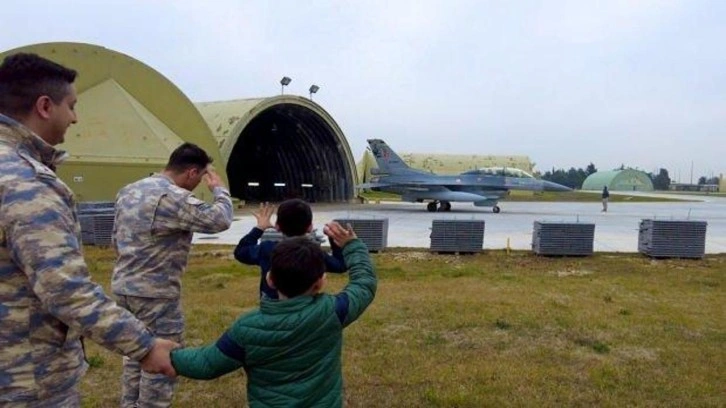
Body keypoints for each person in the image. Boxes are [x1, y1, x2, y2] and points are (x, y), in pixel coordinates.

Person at [0, 53, 177, 406]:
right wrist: (144, 346)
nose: (75, 118)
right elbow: (64, 288)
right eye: (71, 106)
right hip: (24, 379)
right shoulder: (26, 182)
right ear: (45, 106)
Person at [170, 221, 377, 407]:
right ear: (320, 283)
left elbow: (207, 364)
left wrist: (167, 355)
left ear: (269, 279)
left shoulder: (247, 328)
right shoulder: (332, 311)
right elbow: (364, 284)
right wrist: (352, 246)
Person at [111, 142, 234, 407]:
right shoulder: (173, 197)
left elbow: (116, 238)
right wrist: (219, 190)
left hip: (123, 286)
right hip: (155, 294)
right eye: (200, 178)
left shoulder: (129, 191)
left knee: (135, 352)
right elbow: (220, 219)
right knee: (161, 357)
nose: (199, 184)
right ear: (191, 172)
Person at [234, 199, 347, 300]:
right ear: (310, 227)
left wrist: (259, 228)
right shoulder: (315, 253)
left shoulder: (267, 249)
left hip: (273, 309)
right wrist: (334, 239)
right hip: (305, 309)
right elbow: (340, 266)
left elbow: (241, 252)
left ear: (277, 226)